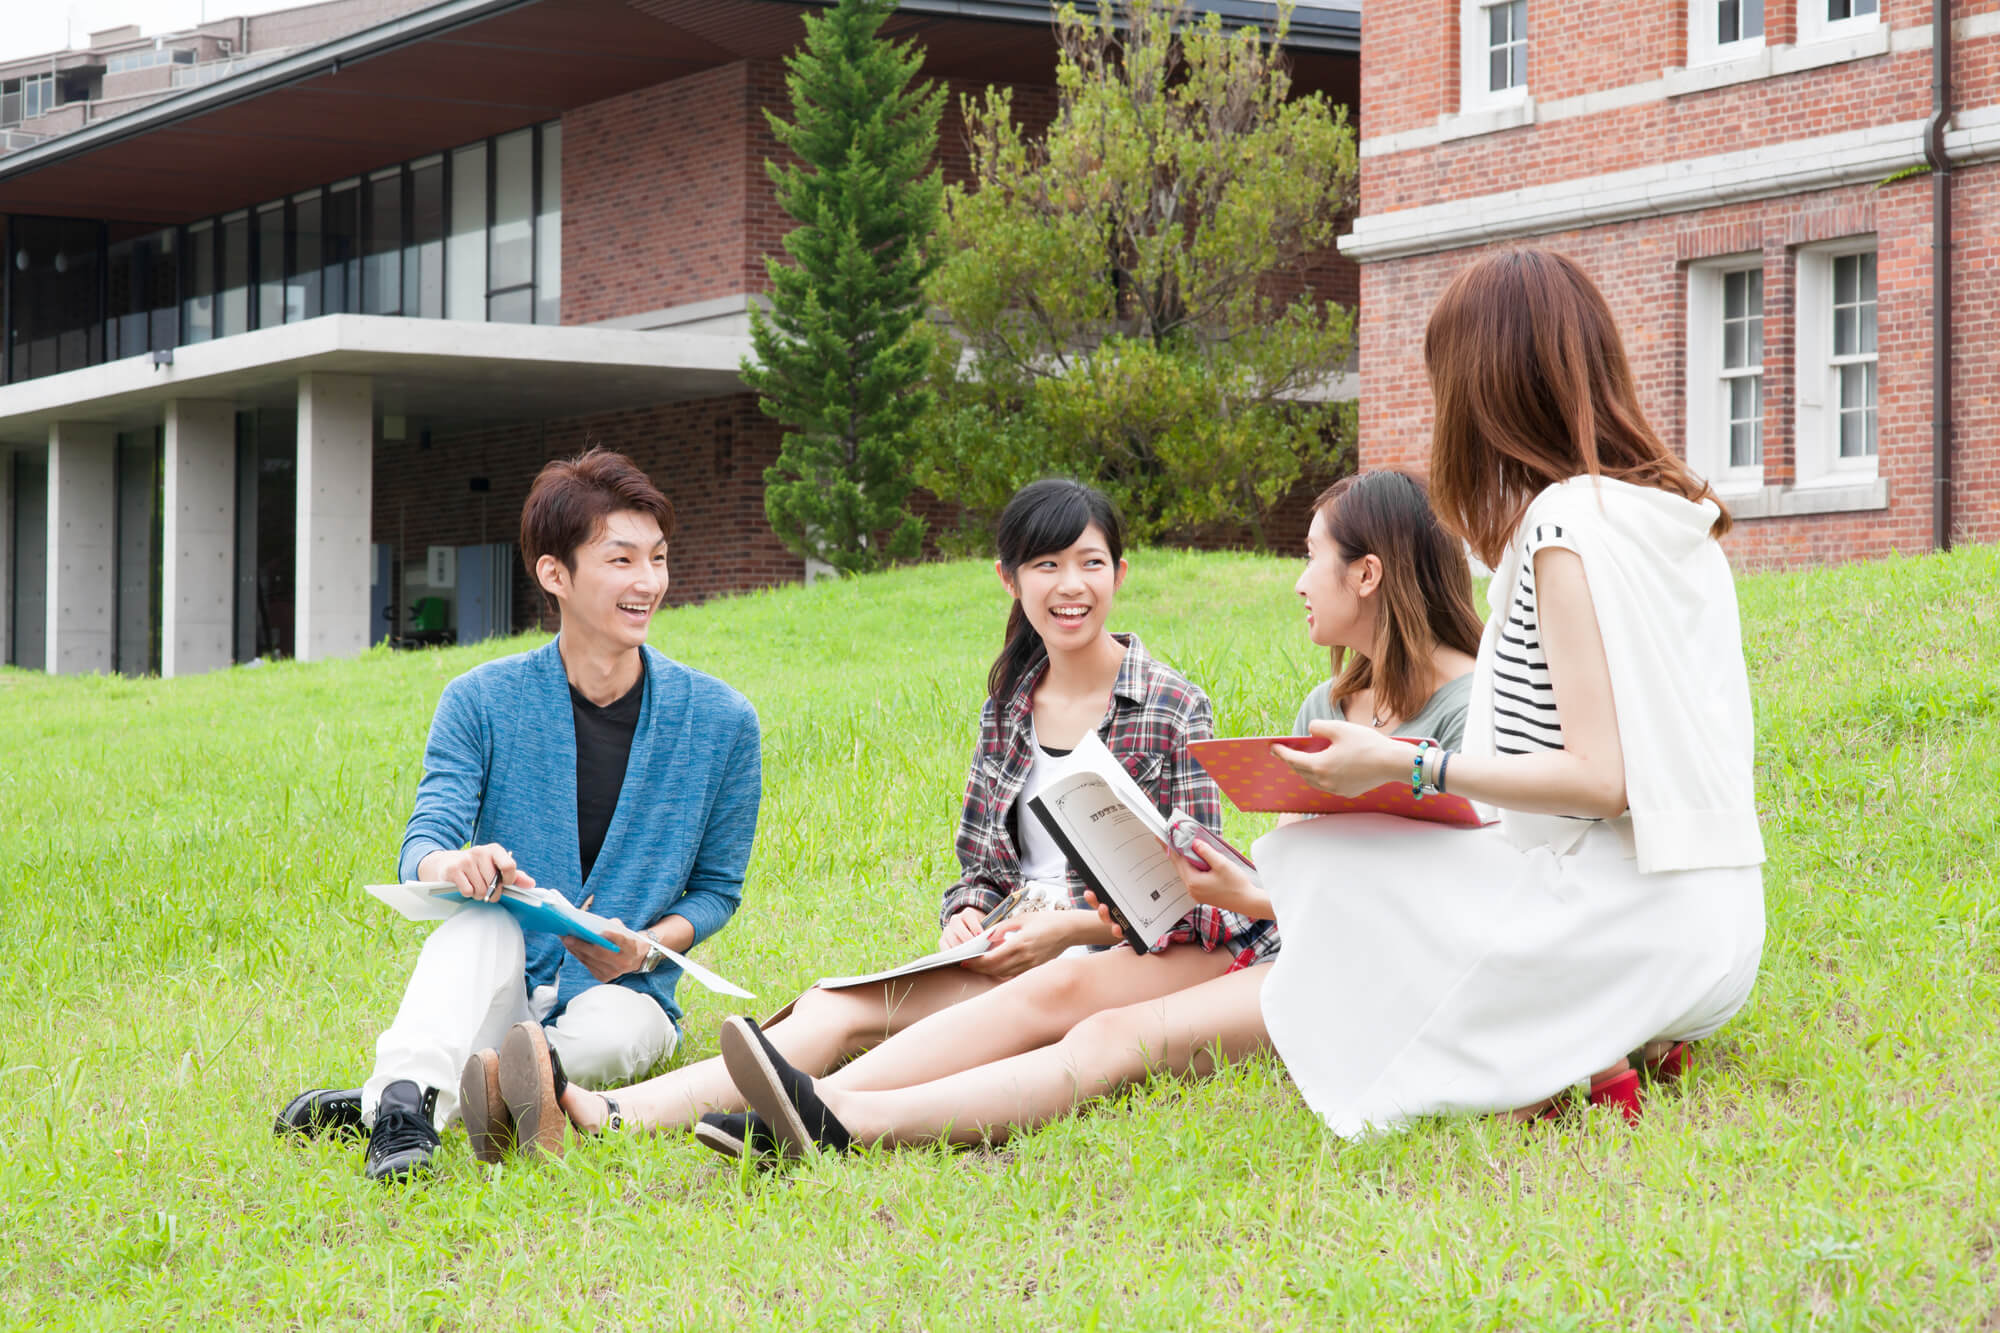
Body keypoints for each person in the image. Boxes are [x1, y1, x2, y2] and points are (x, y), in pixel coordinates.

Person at [703, 468, 1488, 1156]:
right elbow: (1292, 865)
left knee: (1108, 1039)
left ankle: (843, 1118)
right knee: (1061, 1004)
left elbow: (1459, 893)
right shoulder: (1331, 701)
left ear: (1368, 574)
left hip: (1368, 968)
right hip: (1290, 945)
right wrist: (1230, 878)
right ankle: (811, 1103)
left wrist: (1239, 893)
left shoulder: (1468, 707)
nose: (1298, 580)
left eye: (1313, 555)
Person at [486, 478, 1272, 1152]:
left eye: (1090, 563)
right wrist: (968, 914)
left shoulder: (1171, 705)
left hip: (1129, 947)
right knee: (836, 1005)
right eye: (1047, 564)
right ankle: (609, 1114)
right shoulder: (1010, 706)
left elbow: (1196, 898)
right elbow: (985, 869)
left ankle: (806, 1109)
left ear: (1120, 573)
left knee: (1032, 998)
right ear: (1010, 580)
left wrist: (1068, 929)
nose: (1072, 584)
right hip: (1018, 945)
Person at [273, 447, 762, 1182]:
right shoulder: (479, 699)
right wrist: (455, 865)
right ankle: (404, 1107)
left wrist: (647, 948)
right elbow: (424, 842)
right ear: (554, 574)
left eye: (657, 558)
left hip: (626, 995)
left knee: (608, 1037)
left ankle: (396, 1099)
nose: (648, 582)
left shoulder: (723, 720)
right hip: (503, 979)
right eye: (621, 559)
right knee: (478, 921)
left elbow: (718, 888)